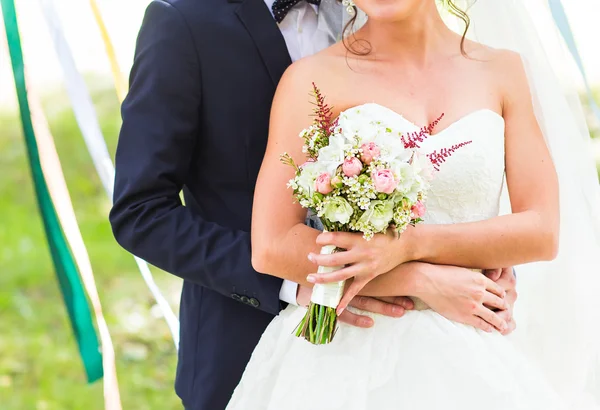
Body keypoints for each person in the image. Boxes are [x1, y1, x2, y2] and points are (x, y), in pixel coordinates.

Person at [109, 0, 517, 408]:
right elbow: (141, 211)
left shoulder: (380, 10)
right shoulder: (184, 21)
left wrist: (470, 249)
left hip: (419, 353)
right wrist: (300, 280)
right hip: (243, 344)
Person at [226, 0, 600, 409]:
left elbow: (541, 231)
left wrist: (410, 245)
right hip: (343, 358)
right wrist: (415, 278)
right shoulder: (311, 80)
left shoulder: (504, 71)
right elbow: (273, 246)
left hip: (472, 346)